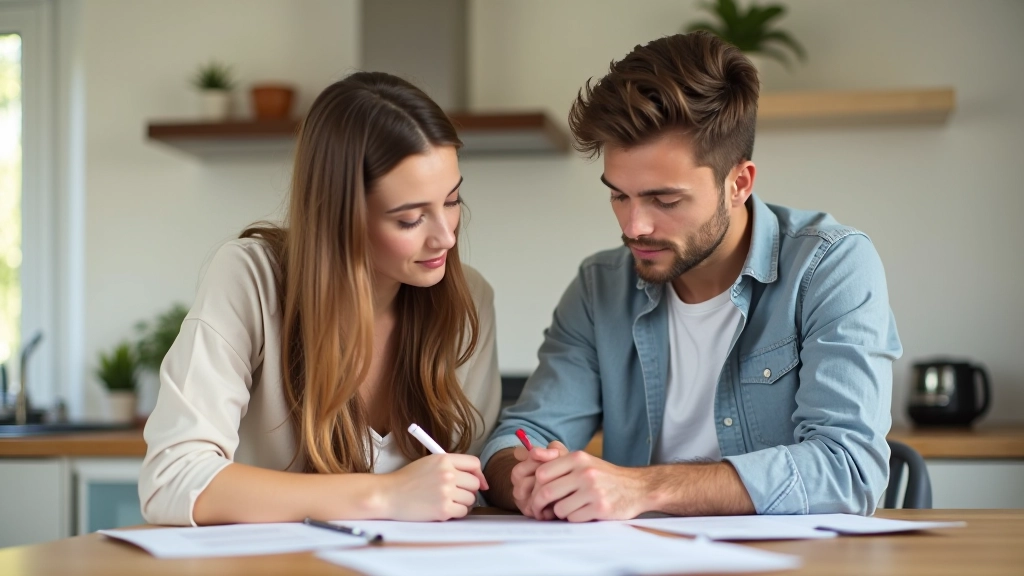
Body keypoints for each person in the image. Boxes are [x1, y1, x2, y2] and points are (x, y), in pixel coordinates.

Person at [481, 32, 902, 521]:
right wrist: (523, 478)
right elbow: (521, 437)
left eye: (665, 200)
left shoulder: (830, 266)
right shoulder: (600, 288)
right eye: (618, 195)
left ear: (738, 183)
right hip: (634, 554)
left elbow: (848, 470)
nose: (634, 226)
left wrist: (645, 488)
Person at [139, 72, 501, 526]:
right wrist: (384, 495)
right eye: (410, 219)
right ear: (340, 217)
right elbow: (171, 479)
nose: (445, 237)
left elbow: (470, 487)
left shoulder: (468, 302)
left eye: (452, 200)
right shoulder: (251, 278)